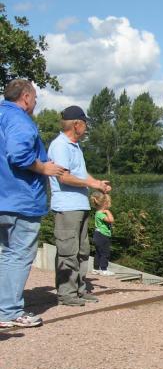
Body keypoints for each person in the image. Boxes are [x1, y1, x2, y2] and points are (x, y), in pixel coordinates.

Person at [0, 79, 67, 328]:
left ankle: (4, 306)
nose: (36, 102)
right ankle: (8, 312)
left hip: (3, 197)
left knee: (7, 254)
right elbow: (18, 155)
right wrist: (43, 168)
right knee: (18, 254)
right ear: (26, 97)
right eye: (35, 98)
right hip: (20, 198)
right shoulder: (19, 119)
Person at [48, 106, 111, 307]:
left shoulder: (75, 146)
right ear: (76, 124)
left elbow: (81, 174)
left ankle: (79, 290)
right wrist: (90, 184)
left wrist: (98, 184)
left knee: (82, 251)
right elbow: (64, 177)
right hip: (67, 207)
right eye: (85, 123)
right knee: (68, 251)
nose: (86, 127)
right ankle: (66, 294)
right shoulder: (60, 146)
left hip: (80, 205)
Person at [90, 191, 114, 276]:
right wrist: (108, 212)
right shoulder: (100, 214)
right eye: (108, 203)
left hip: (98, 235)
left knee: (98, 253)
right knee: (105, 253)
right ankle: (104, 269)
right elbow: (111, 220)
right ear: (105, 204)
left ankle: (95, 269)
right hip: (102, 235)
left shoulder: (97, 213)